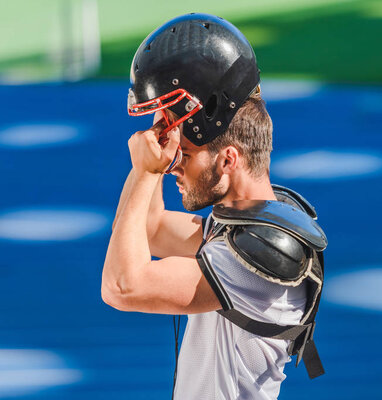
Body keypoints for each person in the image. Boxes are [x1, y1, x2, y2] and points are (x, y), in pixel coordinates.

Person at [101, 13, 326, 400]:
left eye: (184, 153)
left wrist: (144, 170)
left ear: (228, 159)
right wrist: (158, 138)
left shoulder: (261, 259)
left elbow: (122, 287)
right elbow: (149, 228)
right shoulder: (243, 224)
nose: (172, 164)